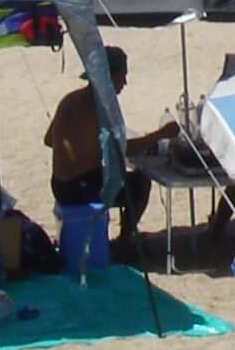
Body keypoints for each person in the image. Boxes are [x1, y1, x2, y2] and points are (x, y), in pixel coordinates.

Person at [43, 47, 175, 260]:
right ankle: (123, 243)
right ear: (109, 77)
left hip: (59, 185)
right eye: (122, 76)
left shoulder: (69, 99)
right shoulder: (102, 106)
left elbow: (49, 140)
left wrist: (82, 147)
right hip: (81, 188)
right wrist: (161, 134)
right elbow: (123, 149)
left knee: (116, 177)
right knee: (140, 183)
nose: (124, 83)